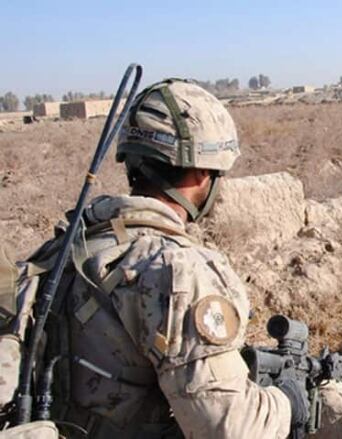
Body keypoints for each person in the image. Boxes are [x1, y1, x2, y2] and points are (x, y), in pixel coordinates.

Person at [36, 79, 307, 438]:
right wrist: (286, 402)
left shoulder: (66, 246)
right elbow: (233, 429)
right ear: (200, 173)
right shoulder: (177, 270)